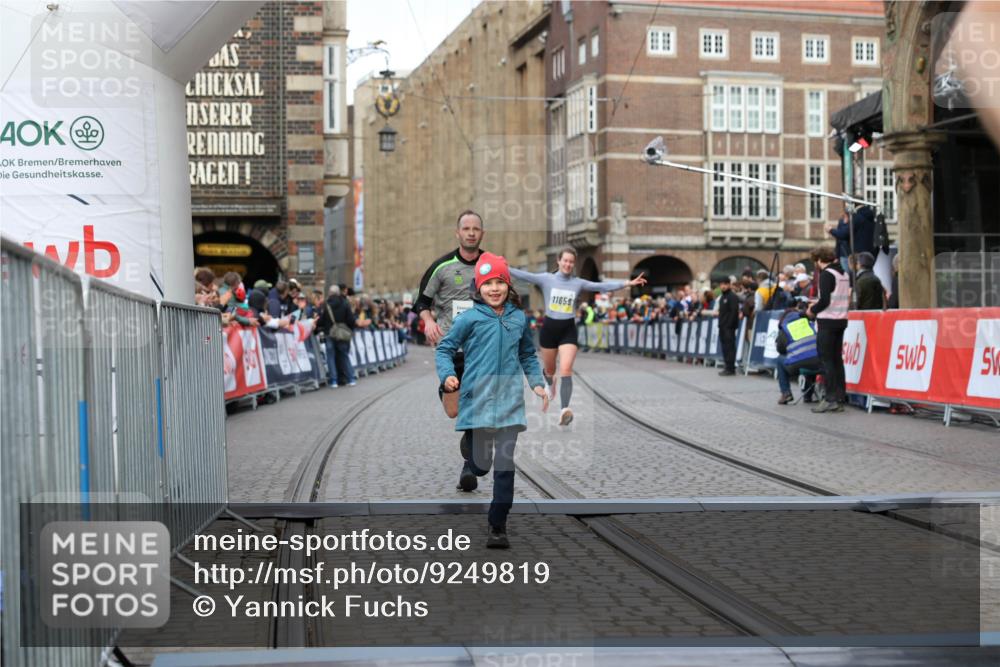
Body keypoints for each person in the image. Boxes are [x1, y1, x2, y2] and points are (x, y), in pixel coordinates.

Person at [436, 252, 548, 549]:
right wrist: (448, 375)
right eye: (488, 283)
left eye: (500, 282)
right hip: (478, 401)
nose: (494, 288)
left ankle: (498, 524)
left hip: (510, 402)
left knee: (504, 465)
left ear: (508, 285)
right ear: (479, 287)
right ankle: (469, 449)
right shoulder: (469, 318)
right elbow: (444, 349)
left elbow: (527, 354)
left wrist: (537, 383)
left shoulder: (518, 318)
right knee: (481, 465)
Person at [510, 247, 646, 426]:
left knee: (566, 369)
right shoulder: (546, 279)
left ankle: (565, 409)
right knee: (549, 371)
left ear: (573, 264)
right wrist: (502, 267)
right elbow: (525, 275)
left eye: (571, 262)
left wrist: (627, 283)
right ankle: (551, 383)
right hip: (549, 330)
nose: (567, 264)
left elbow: (601, 286)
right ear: (558, 261)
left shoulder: (578, 283)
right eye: (565, 261)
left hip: (568, 330)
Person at [806, 246, 850, 413]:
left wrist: (812, 310)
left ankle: (830, 398)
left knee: (827, 361)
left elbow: (824, 300)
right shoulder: (844, 274)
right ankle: (839, 397)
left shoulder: (826, 275)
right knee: (837, 361)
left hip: (827, 321)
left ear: (819, 260)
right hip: (841, 320)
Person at [774, 306, 821, 405]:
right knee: (809, 357)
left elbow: (780, 350)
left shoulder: (785, 326)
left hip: (798, 365)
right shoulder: (808, 323)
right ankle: (808, 396)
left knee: (780, 360)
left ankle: (786, 393)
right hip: (818, 363)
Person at [316, 285, 357, 388]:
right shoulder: (345, 303)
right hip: (342, 334)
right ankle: (351, 379)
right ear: (339, 293)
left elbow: (321, 320)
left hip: (329, 333)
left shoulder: (326, 304)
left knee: (331, 356)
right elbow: (351, 320)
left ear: (329, 293)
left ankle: (334, 381)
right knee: (344, 356)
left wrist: (317, 324)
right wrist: (349, 330)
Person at [716, 277, 741, 376]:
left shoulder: (732, 296)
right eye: (721, 284)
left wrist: (729, 325)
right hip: (722, 326)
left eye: (725, 284)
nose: (723, 286)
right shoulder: (722, 297)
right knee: (725, 347)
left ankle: (731, 368)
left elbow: (734, 312)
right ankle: (727, 365)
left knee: (730, 347)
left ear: (729, 285)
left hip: (729, 327)